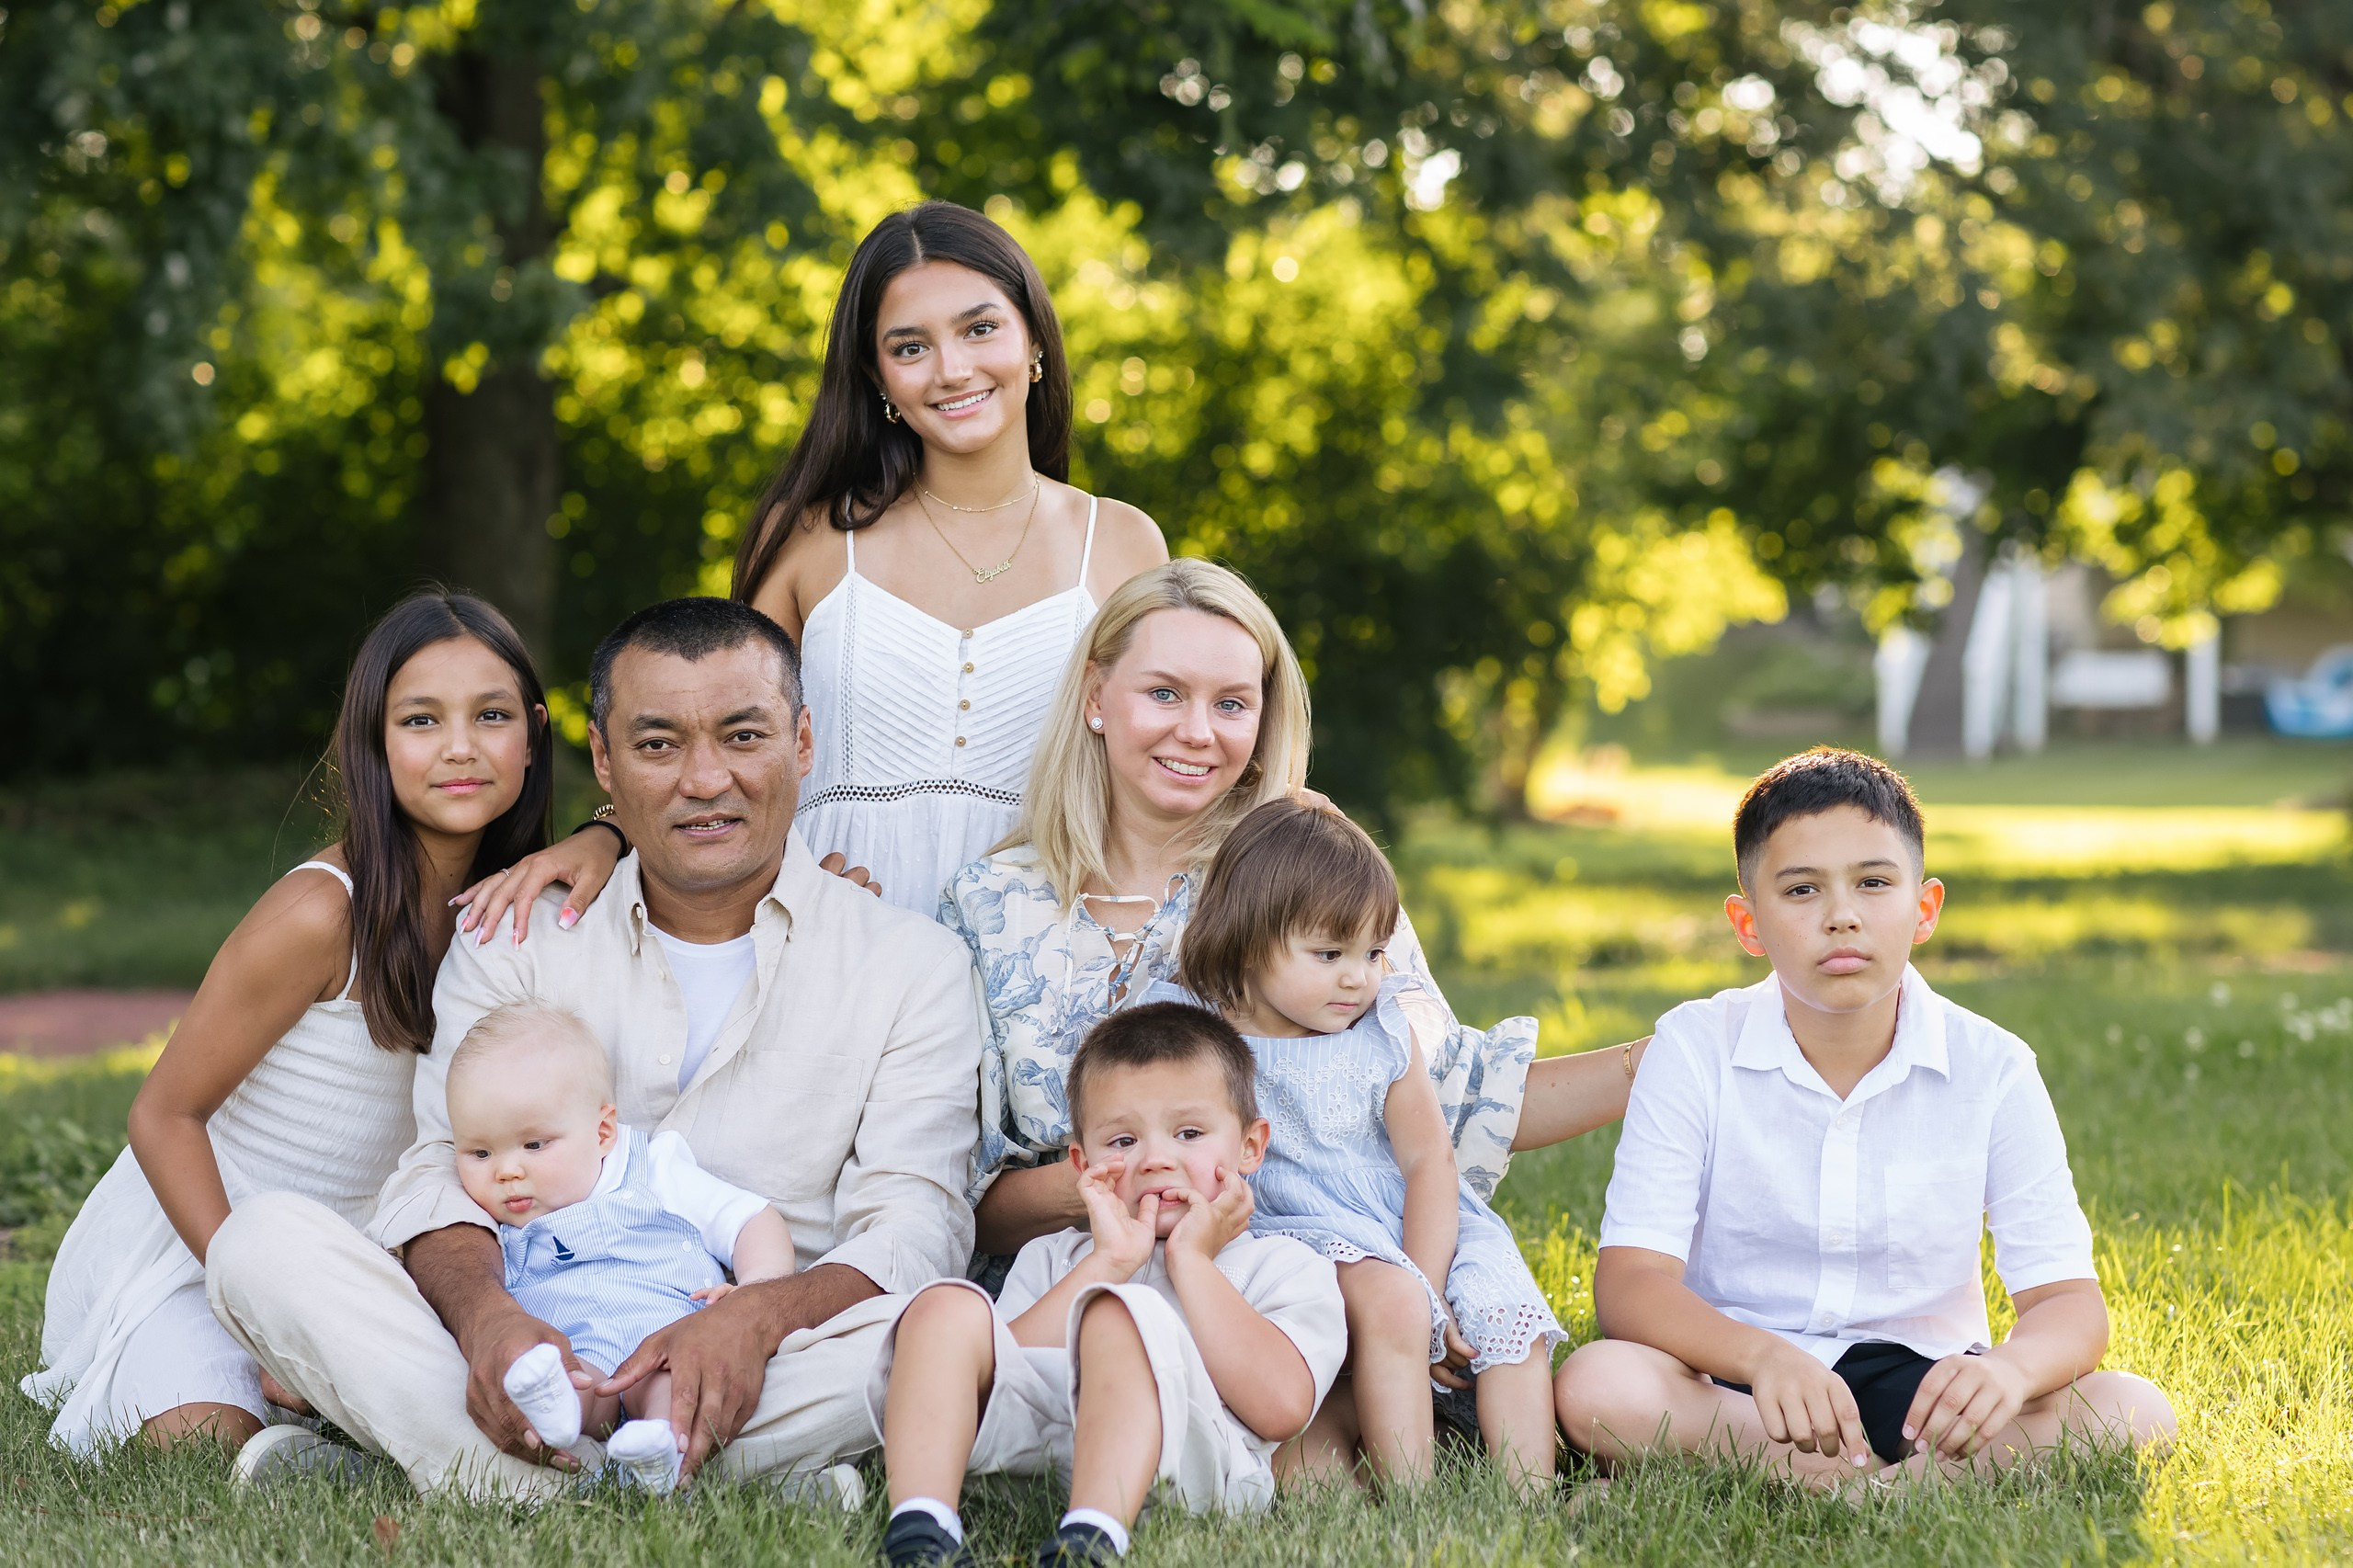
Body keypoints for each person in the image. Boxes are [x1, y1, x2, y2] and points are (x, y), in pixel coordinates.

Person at [203, 596, 985, 1499]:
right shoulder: (515, 936)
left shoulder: (912, 963)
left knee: (939, 1327)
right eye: (658, 744)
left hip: (778, 1351)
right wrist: (490, 1319)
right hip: (539, 1357)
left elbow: (915, 1226)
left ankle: (478, 1470)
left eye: (743, 735)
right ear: (604, 761)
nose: (703, 778)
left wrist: (758, 1315)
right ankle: (690, 1477)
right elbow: (435, 1173)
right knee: (260, 1242)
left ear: (802, 743)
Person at [453, 199, 1166, 930]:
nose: (953, 369)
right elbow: (712, 730)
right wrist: (609, 833)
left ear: (1035, 341)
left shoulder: (1121, 543)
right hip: (834, 932)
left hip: (1058, 943)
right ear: (877, 376)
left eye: (981, 329)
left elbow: (1173, 754)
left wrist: (1283, 809)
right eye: (910, 347)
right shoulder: (813, 537)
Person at [946, 558, 1647, 1266]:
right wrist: (1134, 1169)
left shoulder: (1304, 874)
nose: (1198, 732)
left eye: (1231, 704)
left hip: (1295, 1285)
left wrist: (1650, 1062)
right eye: (1164, 693)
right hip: (1064, 1287)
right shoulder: (987, 903)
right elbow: (953, 1204)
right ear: (1097, 694)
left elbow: (1460, 1094)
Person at [1552, 747, 2177, 1488]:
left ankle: (1860, 1484)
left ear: (1924, 908)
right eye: (1802, 890)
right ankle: (1897, 1485)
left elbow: (2067, 1302)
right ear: (1748, 923)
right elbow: (1631, 1285)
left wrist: (2010, 1371)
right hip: (1734, 1375)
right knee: (1598, 1384)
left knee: (2135, 1410)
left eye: (1874, 883)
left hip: (1921, 1385)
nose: (1842, 916)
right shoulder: (1692, 1047)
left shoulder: (1994, 1066)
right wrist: (1761, 1357)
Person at [21, 591, 552, 1456]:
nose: (460, 747)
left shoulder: (520, 901)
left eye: (491, 716)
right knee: (203, 1435)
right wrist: (257, 1309)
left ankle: (327, 1421)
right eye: (421, 720)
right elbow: (163, 1115)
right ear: (373, 744)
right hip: (208, 1242)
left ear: (533, 734)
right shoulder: (319, 913)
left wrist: (600, 837)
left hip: (371, 1256)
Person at [1152, 799, 1563, 1490]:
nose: (1358, 976)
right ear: (1249, 939)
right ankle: (1413, 1496)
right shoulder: (1195, 1031)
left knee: (1503, 1315)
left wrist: (1430, 1288)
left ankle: (1531, 1495)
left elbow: (1429, 1163)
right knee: (1387, 1299)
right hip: (1301, 1227)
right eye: (1330, 953)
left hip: (1418, 1220)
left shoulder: (1379, 1031)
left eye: (1373, 952)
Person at [867, 1003, 1345, 1568]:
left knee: (1120, 1315)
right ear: (1081, 1160)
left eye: (1189, 1133)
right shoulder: (1058, 1256)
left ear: (1250, 1146)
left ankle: (1090, 1542)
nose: (1155, 1159)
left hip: (1191, 1472)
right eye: (1122, 1142)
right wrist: (1108, 1264)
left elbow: (1282, 1408)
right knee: (944, 1307)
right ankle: (922, 1530)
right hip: (1036, 1458)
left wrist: (1191, 1261)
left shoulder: (1285, 1265)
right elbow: (1000, 1370)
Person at [446, 1002, 796, 1494]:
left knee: (670, 1388)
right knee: (571, 1381)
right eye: (480, 1153)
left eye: (534, 1146)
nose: (505, 1172)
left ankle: (660, 1449)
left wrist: (756, 1290)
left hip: (671, 1339)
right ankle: (556, 1417)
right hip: (577, 1353)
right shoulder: (482, 1220)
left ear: (603, 1132)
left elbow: (751, 1220)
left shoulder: (651, 1169)